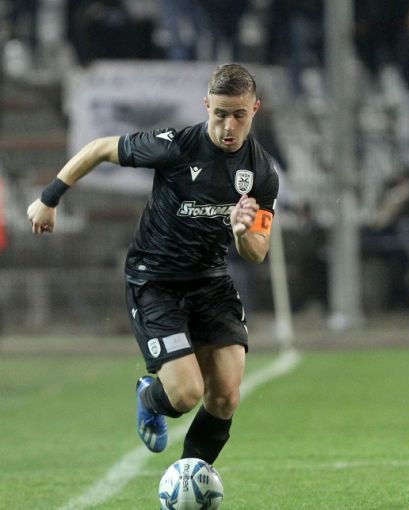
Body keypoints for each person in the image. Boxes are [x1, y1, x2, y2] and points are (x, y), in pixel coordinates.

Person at [26, 64, 279, 466]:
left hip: (211, 282)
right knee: (185, 395)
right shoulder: (175, 146)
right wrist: (49, 198)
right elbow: (100, 148)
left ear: (255, 109)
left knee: (226, 396)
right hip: (156, 283)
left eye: (239, 115)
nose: (228, 126)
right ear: (206, 106)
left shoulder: (261, 172)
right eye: (220, 114)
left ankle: (190, 479)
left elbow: (257, 252)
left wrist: (241, 232)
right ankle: (149, 394)